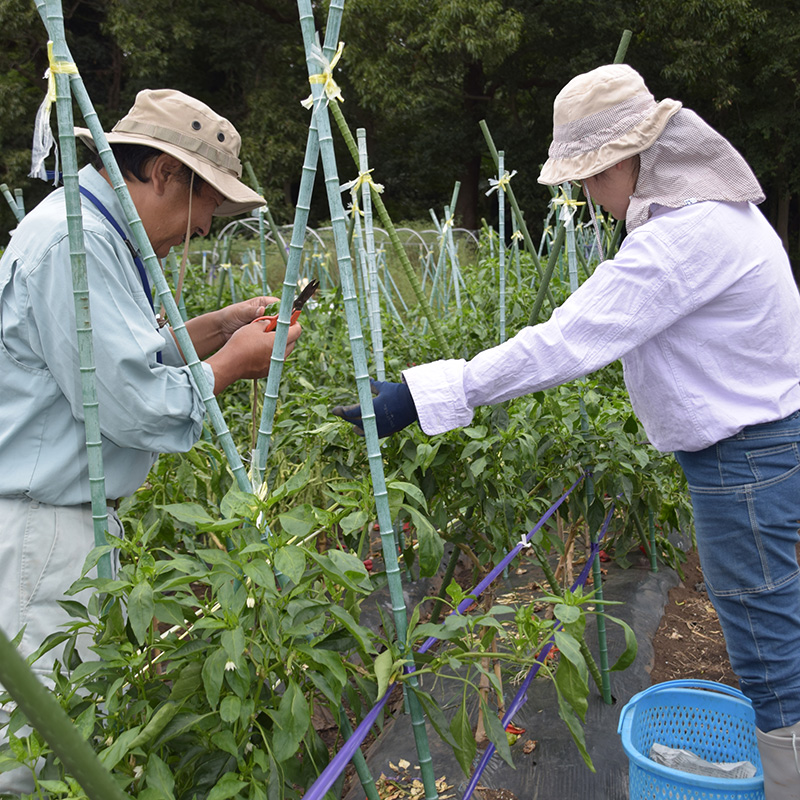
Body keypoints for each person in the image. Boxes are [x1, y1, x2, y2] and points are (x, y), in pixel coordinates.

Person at [333, 64, 800, 798]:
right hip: (753, 449)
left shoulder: (683, 238)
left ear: (623, 161)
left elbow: (562, 342)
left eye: (587, 178)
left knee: (766, 638)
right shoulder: (709, 216)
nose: (586, 195)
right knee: (766, 616)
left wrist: (420, 398)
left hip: (742, 458)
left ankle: (786, 781)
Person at [0, 89, 302, 794]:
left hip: (66, 523)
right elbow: (128, 403)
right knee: (29, 751)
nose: (197, 230)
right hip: (42, 530)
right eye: (202, 209)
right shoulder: (76, 241)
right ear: (164, 173)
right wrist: (233, 366)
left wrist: (218, 326)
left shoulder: (94, 232)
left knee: (71, 726)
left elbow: (119, 357)